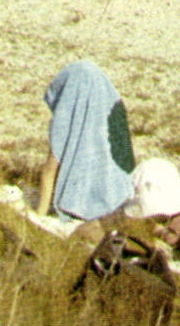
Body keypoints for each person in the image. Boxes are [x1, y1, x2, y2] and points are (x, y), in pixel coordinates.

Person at [36, 61, 136, 224]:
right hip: (118, 201)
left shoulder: (68, 118)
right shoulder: (112, 116)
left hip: (81, 210)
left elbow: (49, 170)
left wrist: (39, 216)